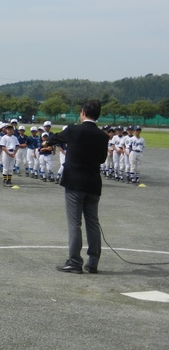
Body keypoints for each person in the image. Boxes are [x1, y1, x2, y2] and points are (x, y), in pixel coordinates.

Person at [47, 100, 109, 274]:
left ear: (82, 113)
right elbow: (102, 159)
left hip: (75, 183)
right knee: (93, 223)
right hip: (93, 183)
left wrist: (47, 143)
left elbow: (55, 138)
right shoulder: (103, 136)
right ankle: (93, 261)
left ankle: (75, 261)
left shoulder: (74, 130)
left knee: (75, 223)